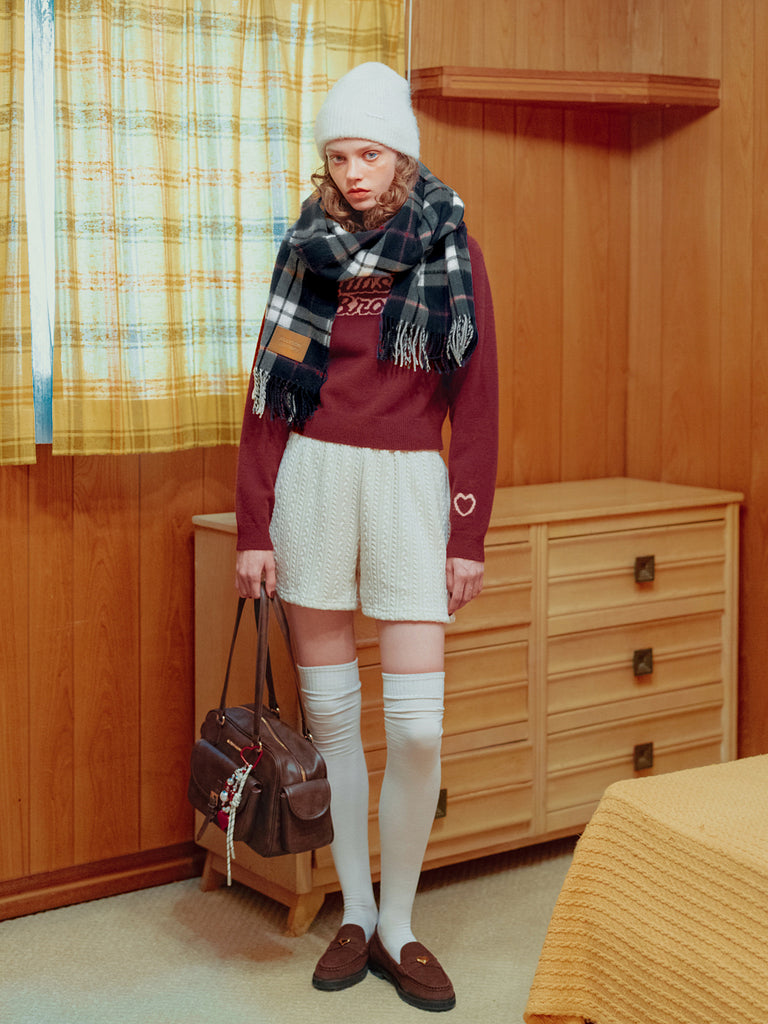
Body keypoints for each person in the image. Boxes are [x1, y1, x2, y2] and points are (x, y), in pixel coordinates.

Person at [235, 61, 498, 1013]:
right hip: (313, 483)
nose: (353, 173)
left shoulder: (451, 246)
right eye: (339, 156)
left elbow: (478, 400)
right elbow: (269, 398)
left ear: (402, 156)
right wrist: (254, 525)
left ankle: (402, 922)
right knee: (336, 722)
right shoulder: (305, 251)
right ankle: (357, 912)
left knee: (418, 726)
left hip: (409, 487)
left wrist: (467, 535)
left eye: (370, 154)